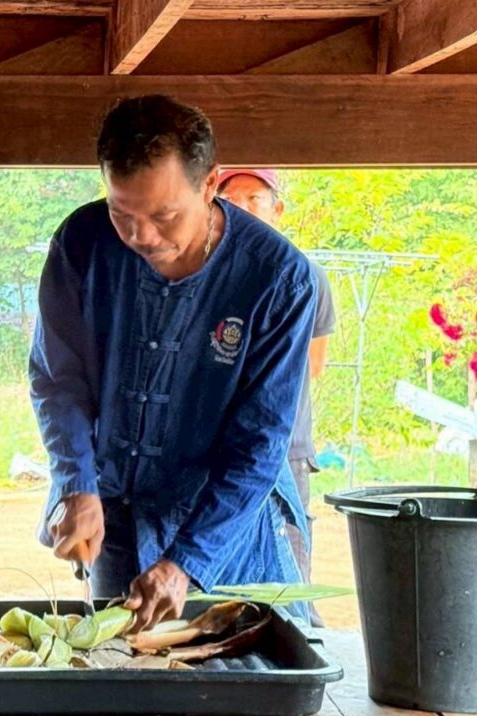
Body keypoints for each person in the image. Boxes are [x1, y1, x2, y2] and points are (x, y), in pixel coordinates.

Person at [30, 95, 317, 632]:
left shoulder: (279, 278)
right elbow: (58, 381)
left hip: (222, 529)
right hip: (113, 511)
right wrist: (77, 482)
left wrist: (187, 561)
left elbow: (259, 444)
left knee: (226, 662)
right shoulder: (82, 244)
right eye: (122, 214)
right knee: (119, 660)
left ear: (209, 185)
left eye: (164, 216)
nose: (141, 236)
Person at [217, 168, 336, 624]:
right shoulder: (210, 276)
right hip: (217, 441)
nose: (244, 208)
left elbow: (313, 365)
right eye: (233, 198)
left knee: (289, 545)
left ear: (277, 208)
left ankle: (300, 632)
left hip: (286, 440)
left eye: (255, 198)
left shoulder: (306, 277)